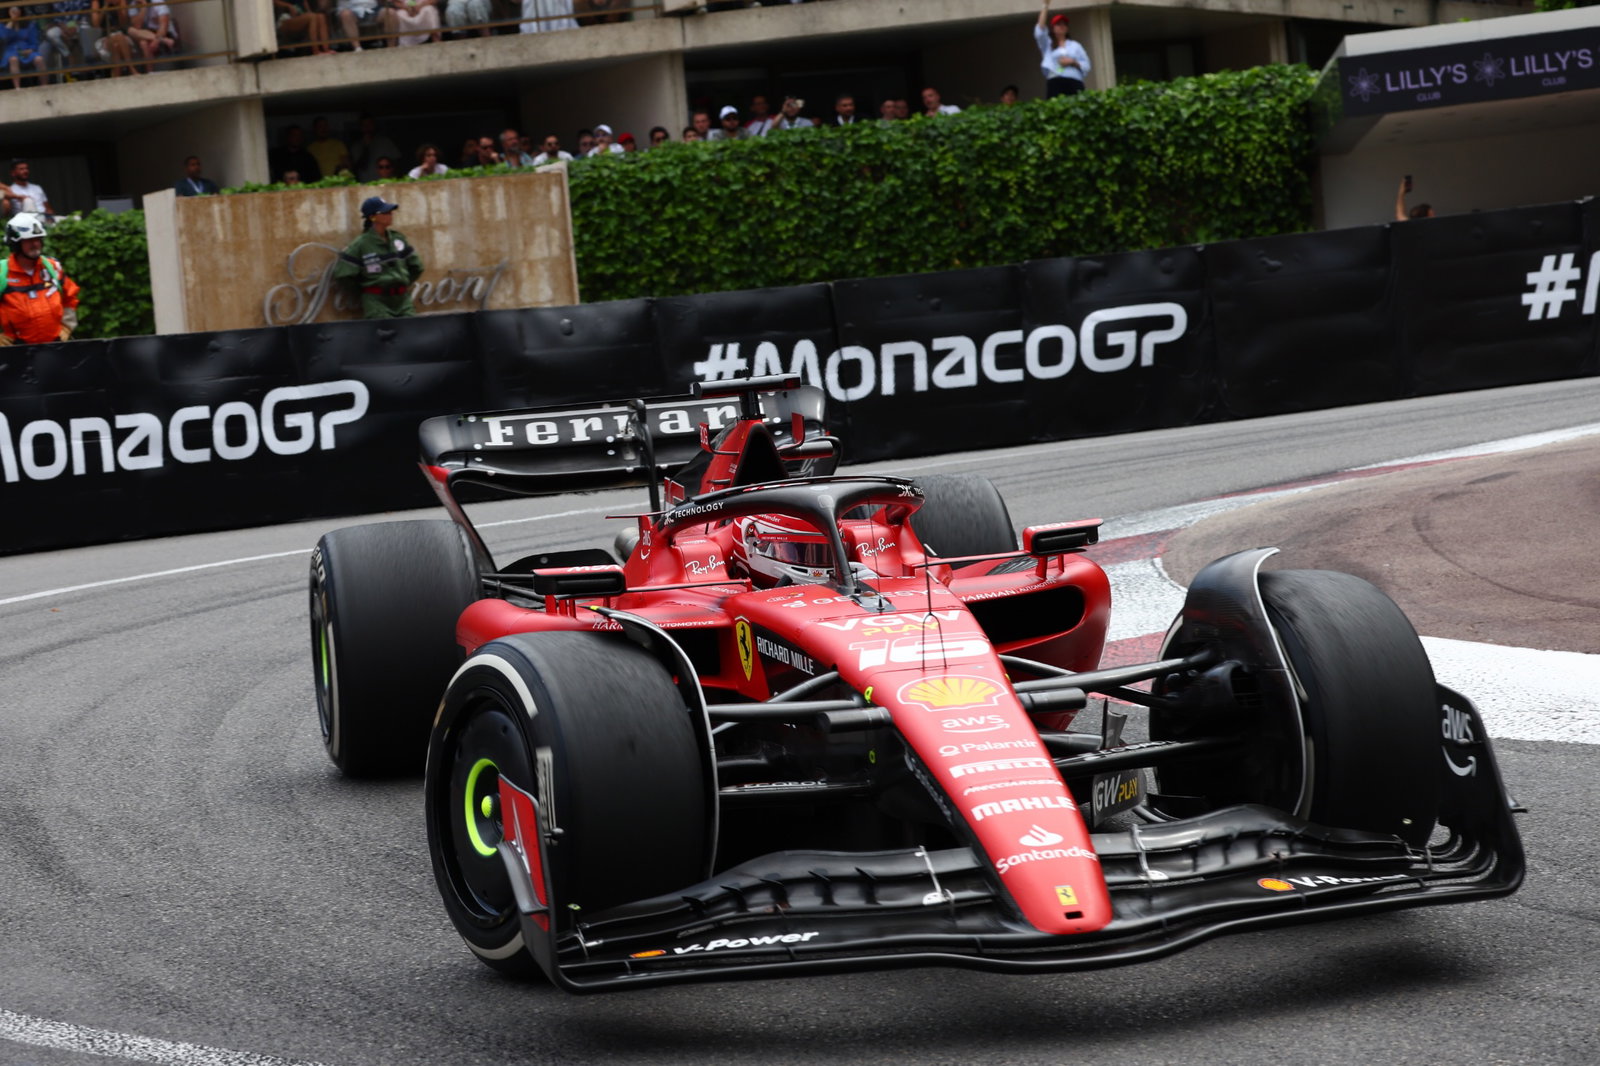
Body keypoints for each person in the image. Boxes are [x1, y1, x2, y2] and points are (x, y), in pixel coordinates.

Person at [334, 196, 424, 318]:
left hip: (402, 300)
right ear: (372, 217)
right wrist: (366, 290)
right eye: (385, 212)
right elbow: (344, 275)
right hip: (376, 302)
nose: (390, 214)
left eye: (390, 211)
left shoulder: (398, 239)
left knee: (410, 331)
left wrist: (401, 280)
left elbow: (416, 267)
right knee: (384, 333)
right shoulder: (361, 244)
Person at [0, 213, 79, 346]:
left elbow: (70, 297)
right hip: (15, 354)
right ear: (16, 243)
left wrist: (67, 326)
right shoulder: (2, 273)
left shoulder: (52, 267)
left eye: (38, 239)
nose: (36, 244)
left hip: (55, 349)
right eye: (29, 240)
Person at [1034, 5, 1089, 97]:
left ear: (1067, 28)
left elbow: (1086, 64)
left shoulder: (1075, 45)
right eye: (1058, 24)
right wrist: (1045, 6)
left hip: (1074, 81)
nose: (1062, 26)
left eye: (1064, 24)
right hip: (1056, 81)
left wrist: (1072, 62)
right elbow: (1040, 31)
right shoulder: (1048, 45)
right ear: (1053, 28)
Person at [4, 5, 48, 89]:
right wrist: (12, 21)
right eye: (12, 10)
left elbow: (34, 41)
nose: (14, 12)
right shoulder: (3, 24)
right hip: (10, 50)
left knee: (39, 59)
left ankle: (44, 85)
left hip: (26, 49)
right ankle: (17, 87)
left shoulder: (29, 24)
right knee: (13, 59)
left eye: (16, 10)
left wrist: (30, 50)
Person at [350, 114, 400, 182]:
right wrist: (366, 146)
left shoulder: (385, 142)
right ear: (360, 127)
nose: (367, 127)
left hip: (385, 184)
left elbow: (396, 164)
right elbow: (359, 167)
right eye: (364, 125)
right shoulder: (356, 146)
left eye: (369, 124)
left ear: (374, 125)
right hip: (366, 184)